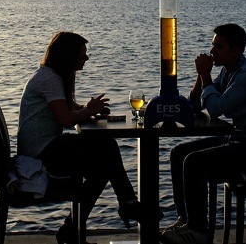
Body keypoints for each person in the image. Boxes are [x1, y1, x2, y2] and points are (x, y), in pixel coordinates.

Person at [17, 31, 150, 244]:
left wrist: (89, 110)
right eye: (82, 56)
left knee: (103, 163)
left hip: (46, 148)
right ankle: (127, 203)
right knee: (106, 150)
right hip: (41, 156)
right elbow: (66, 120)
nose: (86, 59)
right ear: (67, 57)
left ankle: (73, 229)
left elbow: (68, 108)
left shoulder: (51, 76)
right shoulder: (49, 79)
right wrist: (89, 110)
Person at [160, 23, 246, 244]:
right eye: (212, 45)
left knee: (194, 162)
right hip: (240, 138)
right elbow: (196, 105)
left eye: (219, 47)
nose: (212, 51)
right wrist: (201, 76)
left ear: (236, 51)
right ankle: (186, 219)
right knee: (179, 153)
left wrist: (205, 75)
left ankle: (198, 230)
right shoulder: (228, 70)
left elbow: (215, 108)